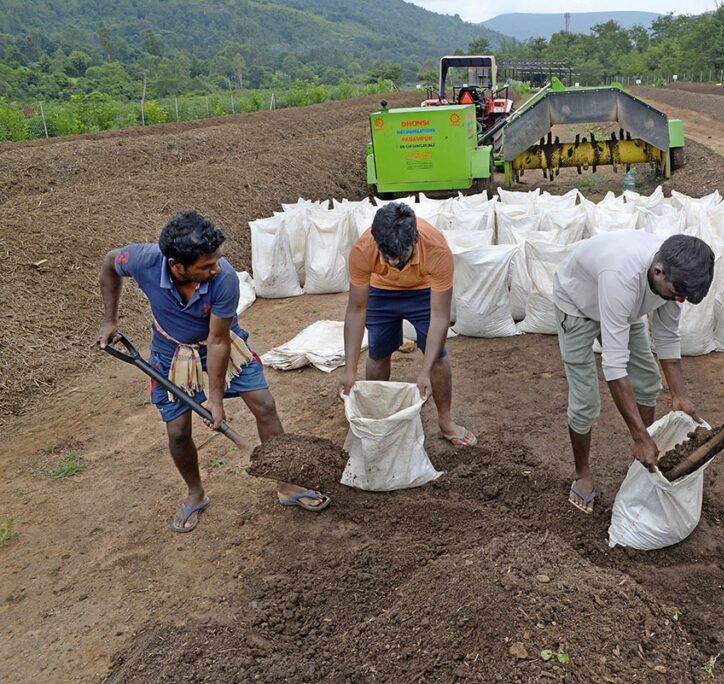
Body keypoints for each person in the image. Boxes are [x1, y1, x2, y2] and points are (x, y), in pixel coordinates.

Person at [97, 210, 330, 533]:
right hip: (171, 350)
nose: (216, 268)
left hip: (222, 346)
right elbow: (110, 263)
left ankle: (287, 484)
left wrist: (216, 400)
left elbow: (218, 341)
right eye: (205, 266)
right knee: (177, 431)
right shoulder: (141, 260)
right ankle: (195, 493)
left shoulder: (225, 279)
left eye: (216, 260)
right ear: (176, 265)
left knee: (264, 404)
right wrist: (110, 319)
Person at [552, 231, 714, 514]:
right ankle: (583, 473)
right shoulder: (622, 276)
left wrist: (679, 396)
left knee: (647, 381)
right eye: (677, 293)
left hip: (624, 311)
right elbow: (614, 365)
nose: (679, 301)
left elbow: (667, 338)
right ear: (658, 271)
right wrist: (639, 436)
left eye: (684, 297)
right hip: (578, 306)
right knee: (585, 402)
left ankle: (640, 462)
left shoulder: (674, 279)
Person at [337, 202, 475, 446]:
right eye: (386, 257)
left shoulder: (437, 249)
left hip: (423, 291)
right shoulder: (363, 248)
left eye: (400, 257)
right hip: (381, 291)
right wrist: (349, 369)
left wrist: (424, 372)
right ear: (376, 242)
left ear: (416, 240)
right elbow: (357, 309)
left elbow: (440, 316)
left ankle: (445, 421)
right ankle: (378, 418)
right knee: (378, 352)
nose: (393, 264)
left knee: (438, 357)